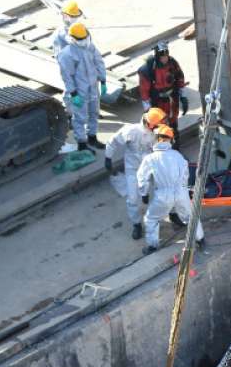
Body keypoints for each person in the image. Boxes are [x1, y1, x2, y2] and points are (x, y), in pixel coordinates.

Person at [137, 125, 205, 254]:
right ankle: (201, 240)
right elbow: (186, 174)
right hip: (181, 192)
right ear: (170, 140)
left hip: (163, 195)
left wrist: (144, 193)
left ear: (156, 139)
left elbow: (142, 177)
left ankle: (152, 246)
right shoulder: (178, 155)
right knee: (190, 217)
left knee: (151, 219)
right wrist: (183, 188)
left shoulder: (150, 158)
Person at [105, 107, 167, 240]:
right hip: (134, 169)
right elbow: (113, 141)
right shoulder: (131, 131)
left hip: (152, 168)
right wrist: (108, 157)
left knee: (166, 191)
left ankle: (172, 214)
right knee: (133, 199)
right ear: (150, 124)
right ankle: (137, 224)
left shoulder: (158, 133)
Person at [58, 22, 107, 151]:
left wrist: (103, 81)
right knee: (80, 118)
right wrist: (73, 93)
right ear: (73, 38)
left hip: (93, 88)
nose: (84, 40)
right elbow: (67, 76)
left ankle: (92, 137)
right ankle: (82, 143)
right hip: (79, 92)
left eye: (85, 37)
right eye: (81, 39)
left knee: (94, 113)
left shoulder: (90, 47)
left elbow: (99, 63)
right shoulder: (67, 54)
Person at [138, 41, 188, 145]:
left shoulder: (172, 63)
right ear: (157, 55)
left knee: (173, 123)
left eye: (166, 54)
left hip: (171, 99)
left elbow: (180, 78)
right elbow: (144, 92)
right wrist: (148, 111)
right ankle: (162, 148)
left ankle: (175, 145)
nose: (165, 57)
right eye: (162, 55)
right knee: (159, 126)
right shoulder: (147, 70)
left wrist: (183, 97)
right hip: (157, 102)